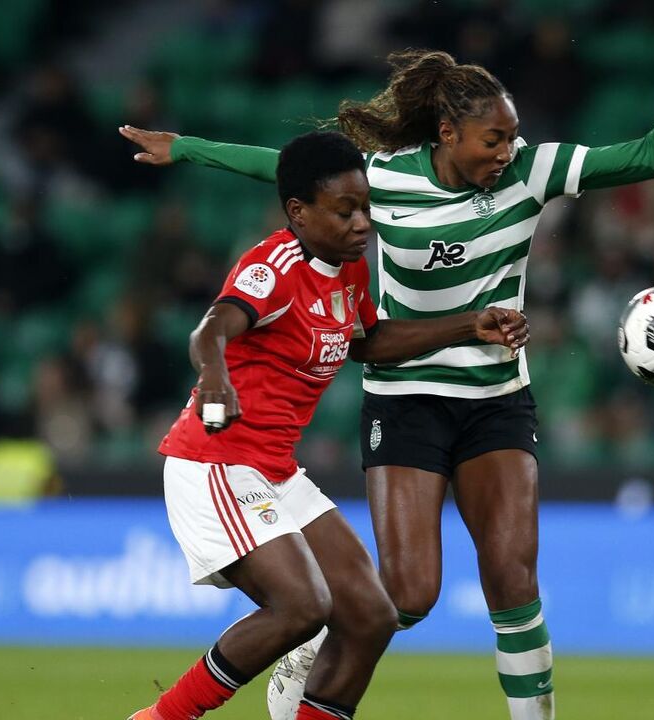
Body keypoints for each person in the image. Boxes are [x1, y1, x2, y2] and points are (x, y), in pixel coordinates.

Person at [120, 28, 654, 720]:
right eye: (491, 140)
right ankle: (312, 640)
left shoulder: (531, 172)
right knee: (405, 598)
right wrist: (186, 148)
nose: (506, 153)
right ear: (447, 134)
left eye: (512, 138)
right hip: (405, 395)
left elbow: (648, 157)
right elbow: (286, 169)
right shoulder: (381, 183)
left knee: (513, 578)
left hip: (496, 395)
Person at [130, 130, 527, 720]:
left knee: (370, 614)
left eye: (365, 207)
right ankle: (163, 717)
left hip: (275, 472)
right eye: (345, 211)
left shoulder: (346, 272)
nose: (363, 223)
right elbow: (210, 329)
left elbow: (372, 342)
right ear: (299, 211)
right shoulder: (274, 267)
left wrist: (469, 325)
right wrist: (214, 378)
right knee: (302, 606)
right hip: (216, 462)